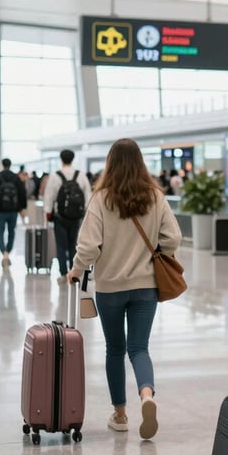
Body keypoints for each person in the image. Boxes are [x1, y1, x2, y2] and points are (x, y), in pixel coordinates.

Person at [66, 138, 182, 439]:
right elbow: (174, 238)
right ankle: (147, 395)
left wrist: (77, 269)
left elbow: (89, 246)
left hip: (110, 288)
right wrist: (156, 251)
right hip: (147, 286)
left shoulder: (101, 198)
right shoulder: (155, 196)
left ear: (110, 163)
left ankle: (120, 414)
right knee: (139, 348)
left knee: (115, 350)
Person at [44, 149, 92, 284]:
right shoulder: (80, 175)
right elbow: (88, 194)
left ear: (61, 159)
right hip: (77, 217)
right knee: (74, 245)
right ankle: (73, 271)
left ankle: (63, 273)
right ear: (73, 159)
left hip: (60, 217)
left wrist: (48, 212)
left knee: (61, 245)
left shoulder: (55, 176)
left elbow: (49, 196)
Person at [0, 158, 28, 266]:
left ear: (2, 165)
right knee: (12, 231)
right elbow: (22, 193)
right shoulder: (16, 177)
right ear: (10, 165)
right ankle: (8, 250)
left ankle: (4, 253)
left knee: (0, 231)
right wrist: (23, 207)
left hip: (0, 210)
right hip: (14, 210)